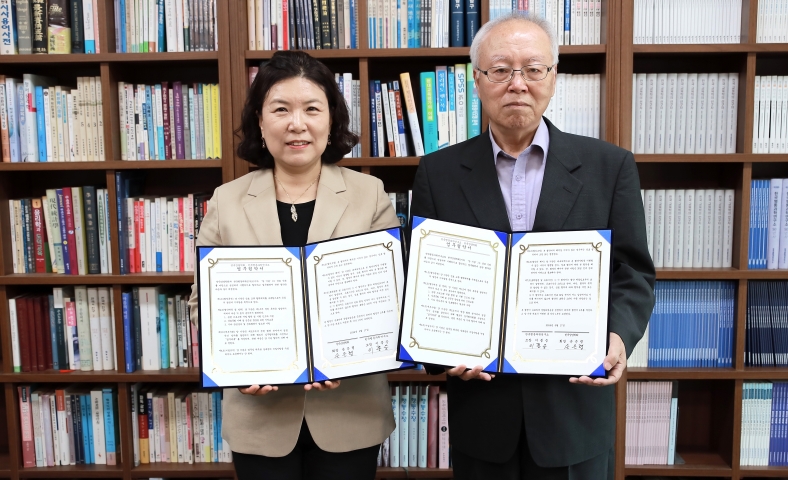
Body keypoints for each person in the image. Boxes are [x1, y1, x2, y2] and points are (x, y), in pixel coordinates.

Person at [409, 12, 656, 480]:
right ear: (477, 81)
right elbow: (424, 283)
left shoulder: (609, 167)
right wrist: (442, 353)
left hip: (573, 410)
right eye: (501, 70)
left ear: (553, 78)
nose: (517, 83)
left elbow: (634, 273)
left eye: (533, 69)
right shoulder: (438, 174)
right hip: (483, 412)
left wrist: (618, 337)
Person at [188, 50, 398, 480]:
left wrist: (348, 355)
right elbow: (202, 304)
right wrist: (237, 366)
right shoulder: (227, 200)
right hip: (259, 415)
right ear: (260, 121)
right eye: (281, 109)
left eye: (312, 109)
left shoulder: (370, 195)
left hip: (350, 411)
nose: (296, 124)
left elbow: (389, 299)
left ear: (331, 120)